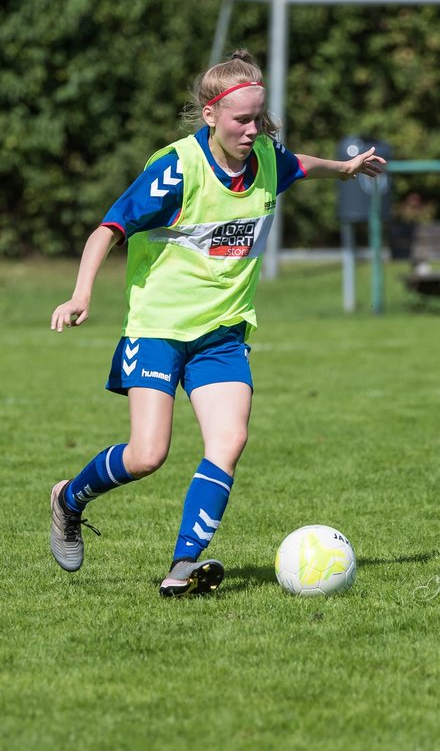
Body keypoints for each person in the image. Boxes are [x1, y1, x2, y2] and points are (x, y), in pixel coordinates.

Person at [47, 50, 385, 597]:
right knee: (147, 454)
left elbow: (302, 162)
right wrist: (82, 292)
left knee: (228, 440)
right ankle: (69, 499)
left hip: (223, 332)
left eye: (259, 119)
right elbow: (108, 228)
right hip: (158, 327)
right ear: (210, 115)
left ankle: (183, 566)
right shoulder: (177, 169)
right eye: (241, 121)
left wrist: (344, 168)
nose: (253, 131)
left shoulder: (269, 160)